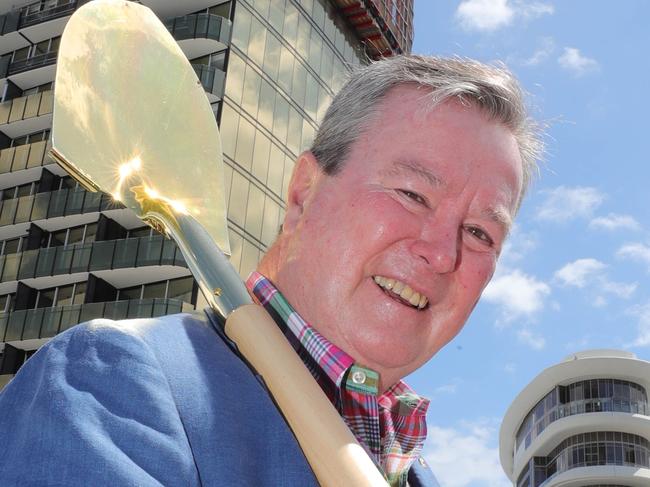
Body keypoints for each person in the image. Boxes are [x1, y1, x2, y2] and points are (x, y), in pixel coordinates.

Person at [0, 55, 541, 486]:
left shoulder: (421, 476)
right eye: (412, 194)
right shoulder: (116, 385)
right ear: (304, 192)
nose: (442, 254)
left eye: (479, 234)